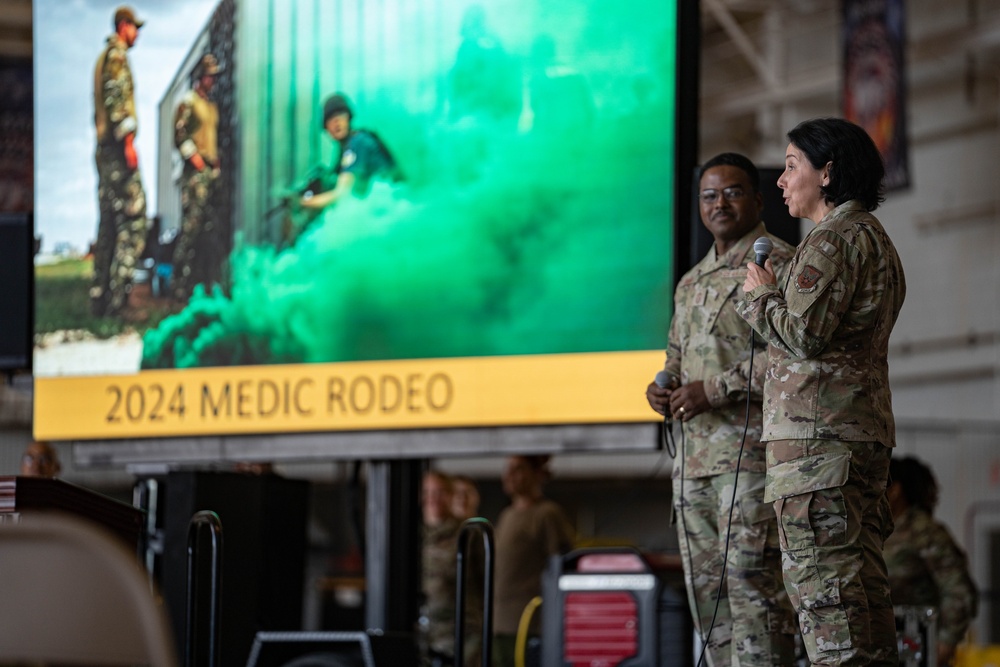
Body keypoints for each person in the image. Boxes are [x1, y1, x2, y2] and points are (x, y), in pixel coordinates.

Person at [738, 117, 907, 666]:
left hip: (818, 449)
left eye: (791, 166)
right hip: (855, 439)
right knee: (861, 597)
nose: (781, 181)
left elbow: (804, 336)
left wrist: (761, 295)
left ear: (827, 172)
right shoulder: (875, 239)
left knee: (825, 596)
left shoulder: (830, 239)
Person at [646, 152, 798, 666]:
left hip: (750, 461)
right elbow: (674, 357)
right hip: (693, 466)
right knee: (707, 599)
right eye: (709, 196)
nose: (720, 203)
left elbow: (789, 354)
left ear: (757, 199)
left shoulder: (777, 262)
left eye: (732, 192)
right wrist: (661, 388)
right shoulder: (691, 281)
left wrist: (714, 390)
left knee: (753, 588)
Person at [884, 456, 977, 666]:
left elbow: (958, 590)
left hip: (917, 646)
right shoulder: (879, 530)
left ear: (896, 491)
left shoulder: (924, 532)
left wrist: (946, 643)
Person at [91, 5, 148, 318]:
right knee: (134, 220)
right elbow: (116, 103)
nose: (137, 33)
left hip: (104, 152)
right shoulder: (116, 57)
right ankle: (119, 301)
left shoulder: (104, 57)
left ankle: (99, 298)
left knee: (109, 226)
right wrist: (128, 143)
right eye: (135, 27)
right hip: (116, 151)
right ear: (123, 25)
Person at [492, 455, 574, 667]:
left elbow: (561, 565)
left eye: (518, 469)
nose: (509, 476)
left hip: (530, 624)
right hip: (500, 622)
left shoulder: (547, 514)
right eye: (507, 469)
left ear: (536, 474)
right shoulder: (507, 514)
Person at [297, 93, 402, 220]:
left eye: (340, 114)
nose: (336, 121)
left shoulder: (358, 142)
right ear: (326, 128)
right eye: (330, 118)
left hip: (390, 211)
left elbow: (343, 194)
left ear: (349, 118)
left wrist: (301, 202)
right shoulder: (347, 147)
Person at [172, 53, 224, 302]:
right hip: (195, 174)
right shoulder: (188, 102)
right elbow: (179, 135)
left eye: (214, 76)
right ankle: (179, 285)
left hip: (211, 173)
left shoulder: (211, 107)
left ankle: (204, 283)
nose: (212, 80)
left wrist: (215, 162)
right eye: (209, 76)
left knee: (209, 229)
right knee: (191, 229)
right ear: (200, 77)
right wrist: (195, 159)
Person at [420, 470, 482, 667]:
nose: (433, 498)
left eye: (440, 492)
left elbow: (487, 584)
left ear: (450, 495)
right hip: (424, 635)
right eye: (428, 492)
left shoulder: (468, 534)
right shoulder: (411, 535)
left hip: (461, 637)